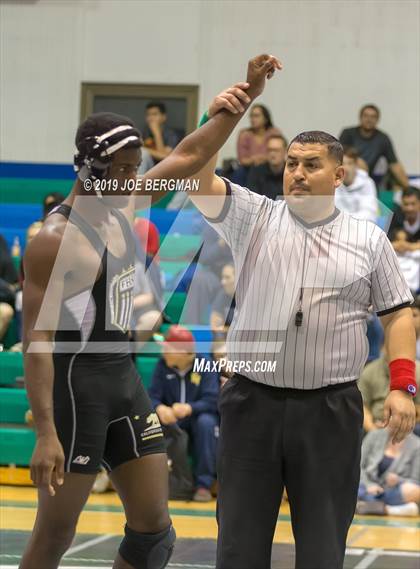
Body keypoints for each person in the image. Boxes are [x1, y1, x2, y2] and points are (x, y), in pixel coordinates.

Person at [20, 53, 279, 569]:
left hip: (122, 377)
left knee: (153, 534)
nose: (133, 180)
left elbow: (186, 156)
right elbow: (36, 344)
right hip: (77, 389)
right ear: (90, 170)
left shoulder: (124, 199)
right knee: (54, 536)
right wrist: (46, 432)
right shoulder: (56, 240)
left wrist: (240, 101)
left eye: (135, 170)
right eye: (121, 171)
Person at [185, 115, 417, 566]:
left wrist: (402, 384)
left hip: (329, 410)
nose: (297, 172)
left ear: (338, 175)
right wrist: (224, 117)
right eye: (291, 163)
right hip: (252, 403)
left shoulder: (369, 239)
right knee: (238, 542)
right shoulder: (253, 216)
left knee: (323, 544)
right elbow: (196, 177)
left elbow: (398, 316)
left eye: (311, 165)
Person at [149, 325, 219, 502]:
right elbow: (152, 397)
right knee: (151, 421)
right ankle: (161, 484)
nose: (163, 351)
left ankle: (203, 485)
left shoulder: (205, 364)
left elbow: (213, 400)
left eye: (168, 348)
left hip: (197, 417)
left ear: (182, 352)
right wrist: (160, 408)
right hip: (172, 419)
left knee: (206, 423)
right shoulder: (162, 366)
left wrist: (190, 408)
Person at [339, 104, 409, 188]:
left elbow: (394, 164)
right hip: (343, 178)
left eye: (373, 117)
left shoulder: (383, 139)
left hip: (368, 180)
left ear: (377, 120)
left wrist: (408, 188)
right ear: (360, 117)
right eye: (366, 116)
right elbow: (338, 157)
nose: (369, 119)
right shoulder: (348, 133)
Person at [356, 429, 420, 516]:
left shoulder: (416, 444)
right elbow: (357, 465)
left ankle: (365, 506)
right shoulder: (374, 435)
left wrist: (398, 480)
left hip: (391, 491)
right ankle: (388, 509)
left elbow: (415, 480)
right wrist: (369, 485)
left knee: (414, 491)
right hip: (365, 486)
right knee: (352, 486)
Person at [359, 345, 420, 433]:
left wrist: (405, 421)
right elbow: (362, 406)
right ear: (384, 348)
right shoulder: (369, 371)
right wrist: (372, 429)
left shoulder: (418, 370)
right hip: (377, 424)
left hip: (409, 424)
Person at [334, 147, 378, 222]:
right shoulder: (333, 182)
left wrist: (347, 220)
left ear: (356, 165)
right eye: (343, 164)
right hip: (337, 228)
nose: (346, 168)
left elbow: (369, 214)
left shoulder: (367, 183)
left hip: (361, 228)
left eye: (349, 163)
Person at [246, 133, 287, 200]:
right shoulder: (256, 172)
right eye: (270, 150)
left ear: (285, 152)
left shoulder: (292, 173)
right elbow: (252, 199)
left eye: (276, 150)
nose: (272, 154)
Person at [389, 228, 420, 294]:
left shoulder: (416, 254)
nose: (401, 244)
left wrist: (410, 247)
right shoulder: (389, 251)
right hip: (391, 290)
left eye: (405, 240)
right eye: (398, 240)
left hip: (410, 292)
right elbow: (381, 244)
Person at [210, 263, 235, 333]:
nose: (223, 282)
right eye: (222, 277)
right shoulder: (222, 295)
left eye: (227, 277)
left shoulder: (250, 298)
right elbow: (214, 326)